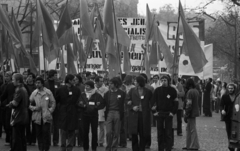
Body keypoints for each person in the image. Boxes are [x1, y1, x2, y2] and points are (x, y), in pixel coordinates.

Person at [151, 75, 178, 151]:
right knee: (160, 133)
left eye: (165, 80)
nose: (163, 81)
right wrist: (154, 112)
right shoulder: (157, 90)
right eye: (162, 80)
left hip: (168, 114)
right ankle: (160, 148)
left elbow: (176, 102)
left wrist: (173, 112)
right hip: (159, 113)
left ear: (168, 81)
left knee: (168, 133)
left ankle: (168, 148)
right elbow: (152, 102)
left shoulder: (172, 90)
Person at [29, 76, 56, 151]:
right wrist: (34, 108)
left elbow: (53, 103)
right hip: (37, 117)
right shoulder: (34, 93)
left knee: (46, 134)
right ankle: (40, 149)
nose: (37, 84)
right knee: (39, 134)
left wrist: (49, 111)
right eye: (36, 83)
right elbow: (29, 104)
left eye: (39, 83)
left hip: (46, 117)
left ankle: (46, 148)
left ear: (42, 84)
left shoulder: (48, 92)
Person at [126, 75, 152, 151]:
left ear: (139, 82)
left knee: (143, 133)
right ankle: (135, 149)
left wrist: (149, 108)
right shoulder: (132, 90)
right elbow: (126, 100)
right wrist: (132, 107)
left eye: (135, 81)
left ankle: (142, 148)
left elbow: (152, 102)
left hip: (144, 115)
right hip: (134, 115)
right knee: (134, 133)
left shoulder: (148, 91)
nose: (134, 82)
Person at [56, 74, 80, 151]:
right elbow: (56, 100)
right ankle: (62, 146)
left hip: (73, 111)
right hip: (63, 111)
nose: (75, 81)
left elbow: (78, 100)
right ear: (69, 80)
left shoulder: (77, 89)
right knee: (63, 130)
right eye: (73, 80)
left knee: (72, 130)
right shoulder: (60, 89)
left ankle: (70, 147)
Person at [79, 80, 104, 151]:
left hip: (94, 116)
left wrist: (95, 107)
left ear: (92, 87)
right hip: (84, 115)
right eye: (85, 86)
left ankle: (94, 148)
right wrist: (83, 106)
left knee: (94, 132)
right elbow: (78, 103)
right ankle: (85, 147)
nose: (86, 87)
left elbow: (102, 104)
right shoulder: (82, 94)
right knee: (85, 132)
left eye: (88, 86)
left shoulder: (97, 95)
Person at [102, 77, 126, 151]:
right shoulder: (107, 94)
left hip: (118, 113)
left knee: (116, 132)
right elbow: (103, 103)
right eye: (109, 83)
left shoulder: (122, 93)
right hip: (109, 112)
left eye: (111, 83)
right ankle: (108, 147)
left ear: (116, 84)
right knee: (108, 132)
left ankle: (114, 147)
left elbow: (124, 104)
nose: (109, 84)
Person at [7, 73, 29, 151]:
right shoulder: (24, 88)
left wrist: (9, 104)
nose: (12, 81)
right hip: (23, 116)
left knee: (17, 138)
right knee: (22, 137)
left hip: (18, 116)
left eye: (13, 79)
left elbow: (15, 103)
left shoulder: (19, 89)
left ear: (18, 80)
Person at [182, 78, 200, 150]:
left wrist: (186, 114)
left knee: (192, 129)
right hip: (194, 112)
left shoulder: (190, 92)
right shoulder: (196, 91)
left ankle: (194, 145)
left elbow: (189, 104)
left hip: (191, 112)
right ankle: (189, 144)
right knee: (189, 129)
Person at [44, 69, 60, 146]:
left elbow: (59, 94)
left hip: (56, 106)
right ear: (51, 75)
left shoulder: (58, 83)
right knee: (47, 124)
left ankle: (55, 141)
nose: (56, 76)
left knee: (56, 125)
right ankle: (47, 140)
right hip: (47, 106)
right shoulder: (45, 83)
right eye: (55, 75)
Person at [220, 83, 238, 151]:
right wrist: (222, 110)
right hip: (228, 117)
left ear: (234, 89)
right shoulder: (225, 96)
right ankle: (231, 145)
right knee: (229, 131)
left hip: (236, 117)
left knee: (236, 131)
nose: (230, 90)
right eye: (229, 88)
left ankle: (237, 145)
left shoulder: (237, 96)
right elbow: (221, 105)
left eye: (232, 88)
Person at [0, 71, 14, 145]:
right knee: (5, 124)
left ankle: (10, 139)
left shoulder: (13, 85)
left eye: (8, 76)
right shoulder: (2, 86)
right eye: (5, 76)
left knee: (9, 124)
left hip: (10, 107)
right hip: (3, 107)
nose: (6, 77)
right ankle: (8, 139)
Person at [94, 76, 108, 147]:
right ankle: (95, 140)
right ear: (96, 82)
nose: (102, 82)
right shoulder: (93, 89)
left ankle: (101, 141)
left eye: (102, 81)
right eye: (100, 81)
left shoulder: (106, 89)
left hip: (102, 109)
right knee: (94, 127)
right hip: (94, 109)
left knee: (102, 127)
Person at [26, 72, 37, 146]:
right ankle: (28, 139)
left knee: (34, 123)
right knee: (27, 123)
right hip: (26, 106)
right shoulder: (25, 86)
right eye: (28, 76)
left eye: (30, 76)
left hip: (34, 106)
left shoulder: (36, 87)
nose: (29, 78)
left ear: (33, 78)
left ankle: (33, 140)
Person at [74, 74, 85, 147]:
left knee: (81, 126)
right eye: (74, 79)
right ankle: (73, 142)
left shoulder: (83, 87)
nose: (75, 81)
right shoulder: (72, 87)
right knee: (73, 126)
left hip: (81, 108)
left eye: (76, 79)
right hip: (73, 108)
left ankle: (81, 142)